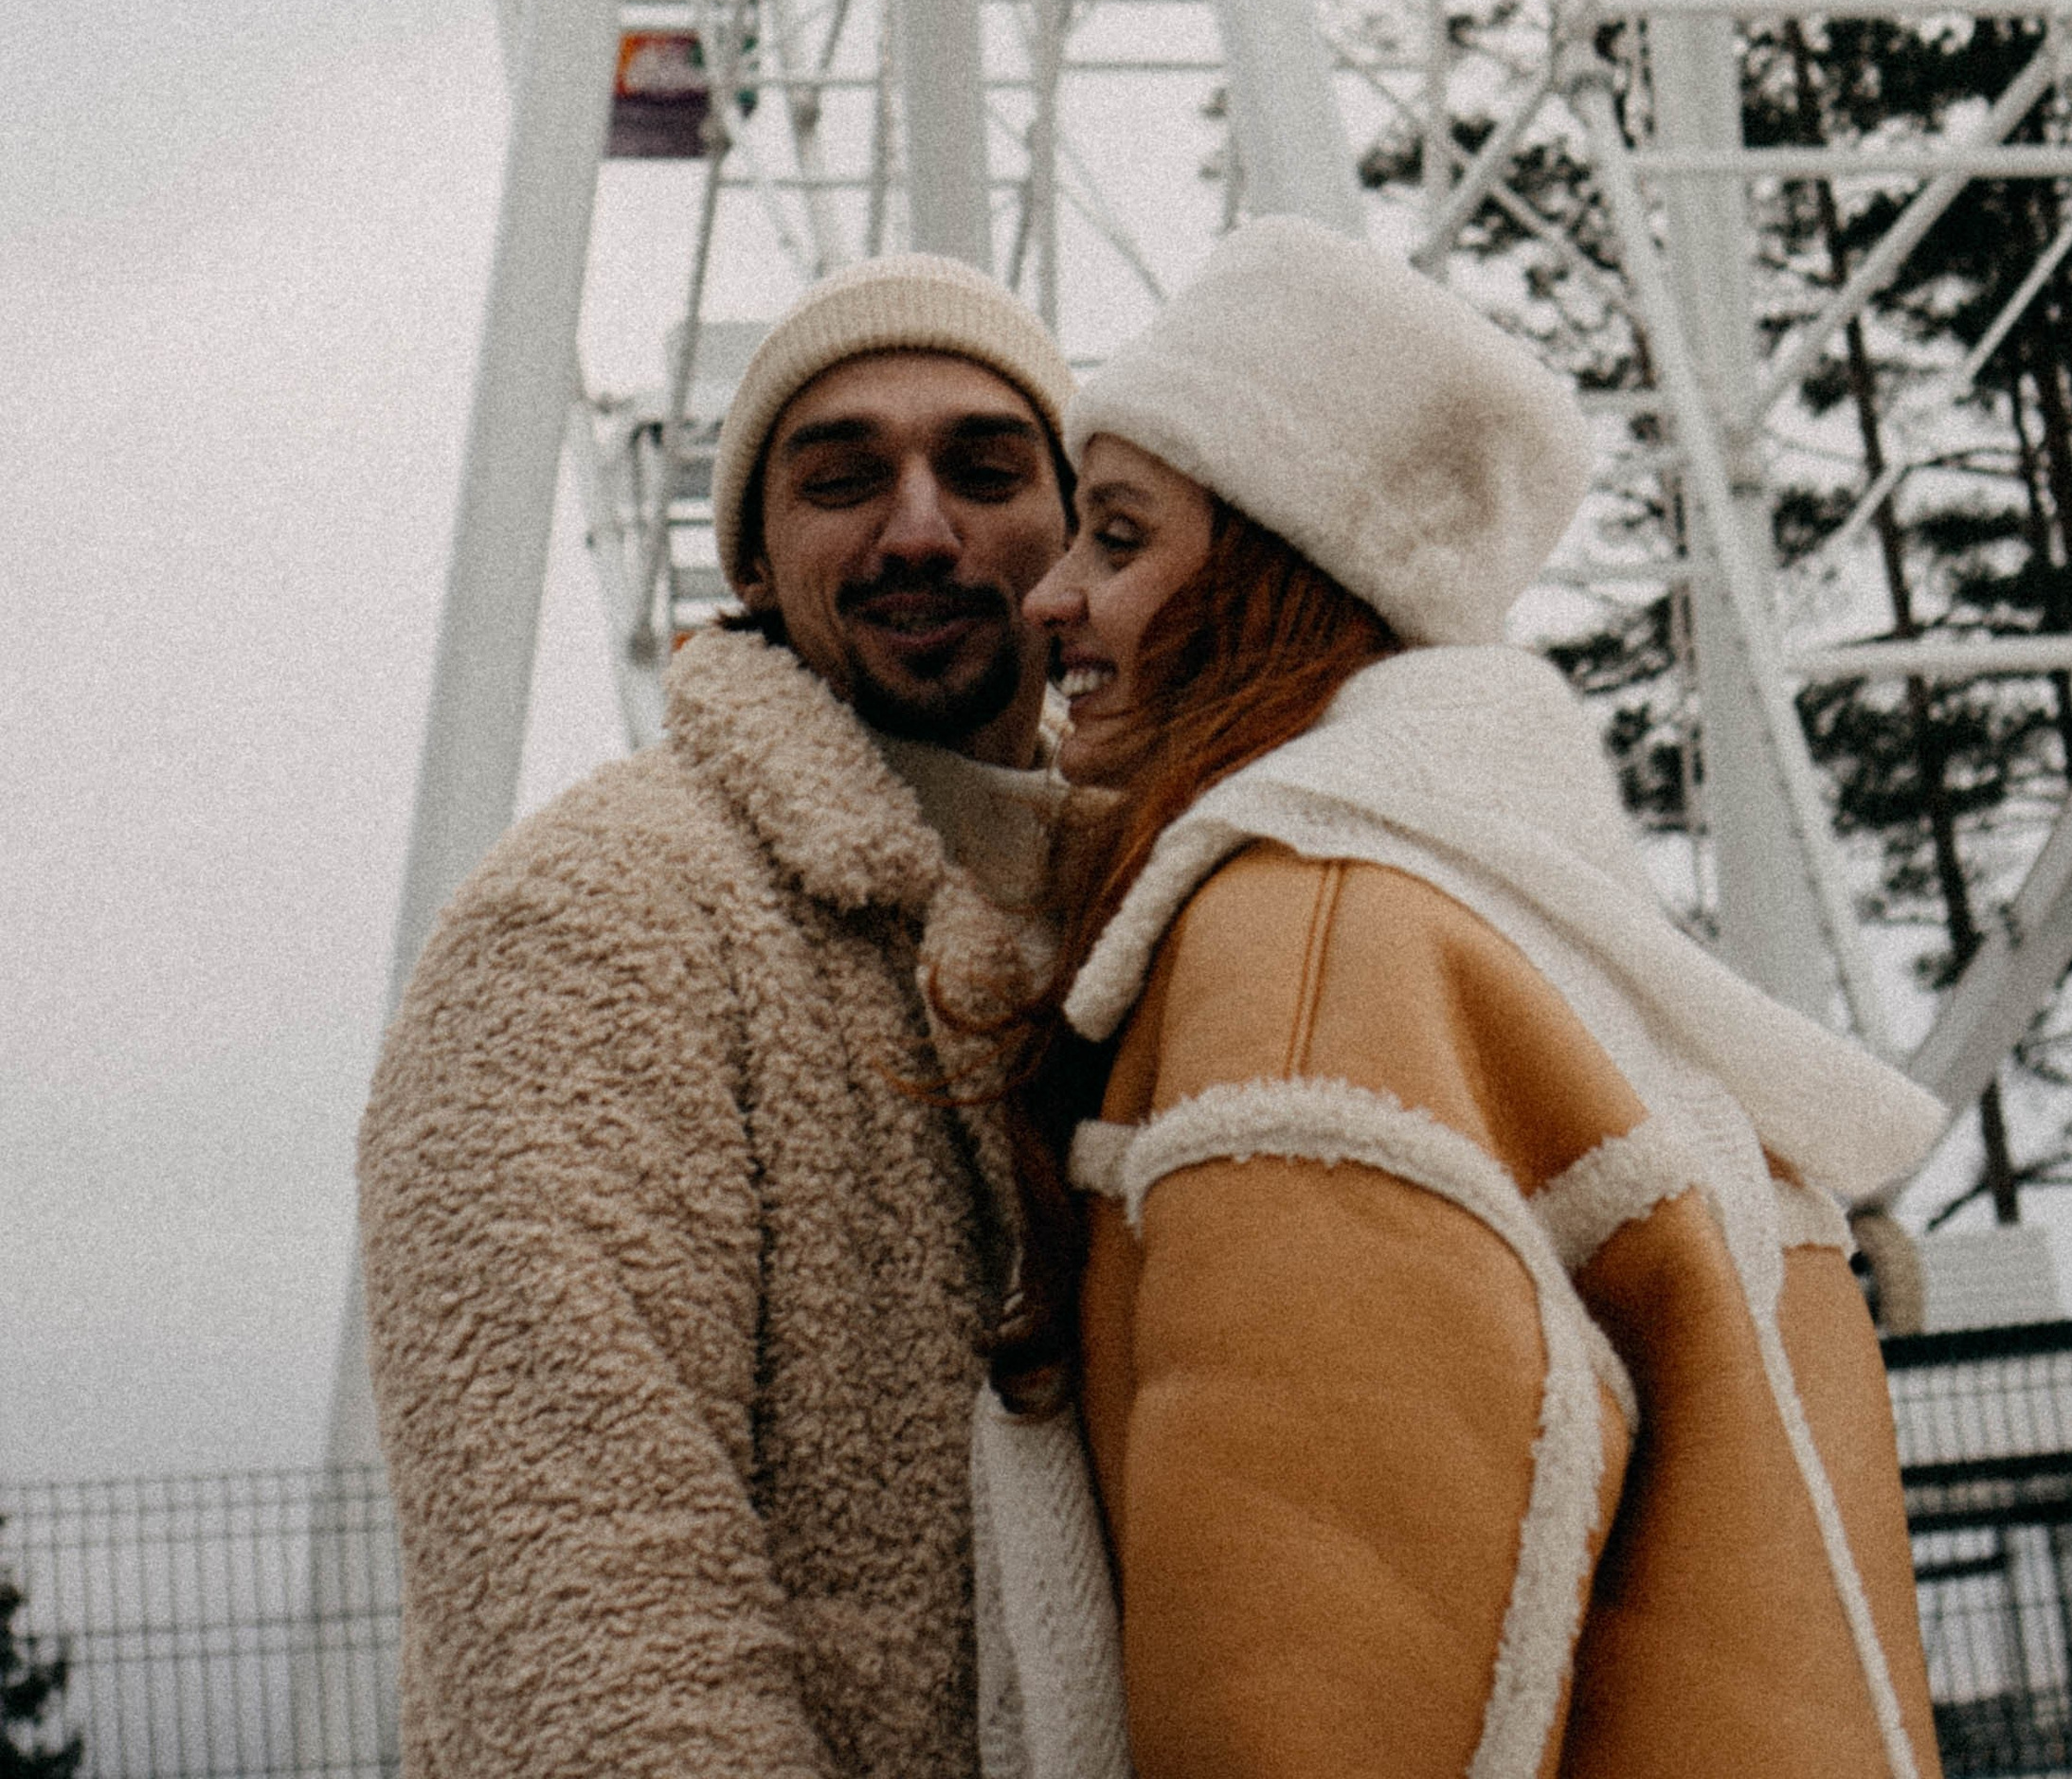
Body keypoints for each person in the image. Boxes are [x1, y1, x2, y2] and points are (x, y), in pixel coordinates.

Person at [977, 218, 1948, 1779]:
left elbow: (1313, 1679)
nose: (1048, 599)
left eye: (1119, 536)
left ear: (1281, 573)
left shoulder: (1298, 957)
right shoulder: (1525, 930)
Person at [358, 253, 1074, 1779]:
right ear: (749, 562)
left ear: (1077, 533)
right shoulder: (589, 930)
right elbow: (582, 1621)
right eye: (841, 480)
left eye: (987, 468)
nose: (923, 526)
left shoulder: (1164, 913)